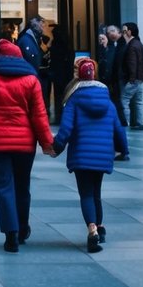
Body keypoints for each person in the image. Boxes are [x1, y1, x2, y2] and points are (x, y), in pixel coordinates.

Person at [0, 39, 56, 252]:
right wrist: (47, 142)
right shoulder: (31, 81)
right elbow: (39, 116)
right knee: (22, 187)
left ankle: (10, 234)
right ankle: (22, 227)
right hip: (24, 145)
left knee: (3, 188)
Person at [51, 58, 128, 253]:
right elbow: (118, 128)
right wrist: (123, 149)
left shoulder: (74, 99)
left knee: (85, 194)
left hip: (81, 155)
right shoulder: (107, 101)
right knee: (96, 193)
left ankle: (92, 229)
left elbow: (66, 129)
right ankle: (100, 228)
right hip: (102, 155)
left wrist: (56, 147)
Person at [120, 22, 143, 130]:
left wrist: (131, 79)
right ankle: (140, 123)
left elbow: (132, 64)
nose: (123, 33)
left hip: (133, 79)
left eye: (124, 31)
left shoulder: (131, 46)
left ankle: (125, 123)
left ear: (130, 32)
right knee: (138, 102)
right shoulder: (139, 44)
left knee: (124, 100)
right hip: (140, 79)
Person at [47, 24, 75, 123]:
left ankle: (59, 115)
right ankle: (65, 115)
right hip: (66, 74)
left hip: (57, 73)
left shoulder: (55, 45)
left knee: (58, 95)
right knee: (66, 95)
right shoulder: (68, 45)